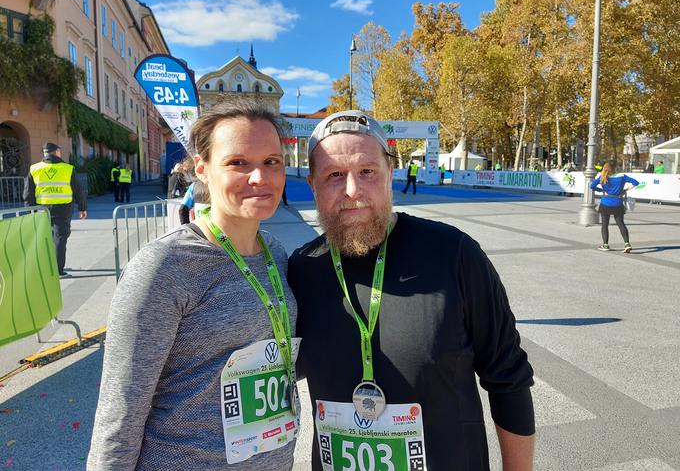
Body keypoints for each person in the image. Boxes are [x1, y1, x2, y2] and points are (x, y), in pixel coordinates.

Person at [289, 110, 535, 471]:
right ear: (313, 185)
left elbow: (508, 378)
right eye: (334, 176)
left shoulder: (454, 255)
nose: (352, 190)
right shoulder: (300, 270)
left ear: (390, 174)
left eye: (367, 172)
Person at [88, 101, 300, 470]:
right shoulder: (164, 266)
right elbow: (120, 410)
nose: (259, 178)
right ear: (202, 169)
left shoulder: (276, 254)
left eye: (271, 162)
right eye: (238, 163)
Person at [23, 142, 87, 279]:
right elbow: (78, 190)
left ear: (45, 153)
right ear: (57, 152)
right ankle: (58, 271)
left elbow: (28, 193)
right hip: (62, 209)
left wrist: (30, 211)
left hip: (41, 210)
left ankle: (44, 268)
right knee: (60, 239)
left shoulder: (34, 168)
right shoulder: (68, 168)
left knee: (44, 240)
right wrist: (82, 208)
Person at [589, 162, 639, 253]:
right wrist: (624, 190)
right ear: (615, 168)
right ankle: (627, 243)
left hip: (605, 203)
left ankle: (605, 245)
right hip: (618, 203)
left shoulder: (602, 177)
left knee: (605, 225)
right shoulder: (622, 176)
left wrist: (602, 190)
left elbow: (591, 186)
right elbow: (636, 182)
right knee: (621, 224)